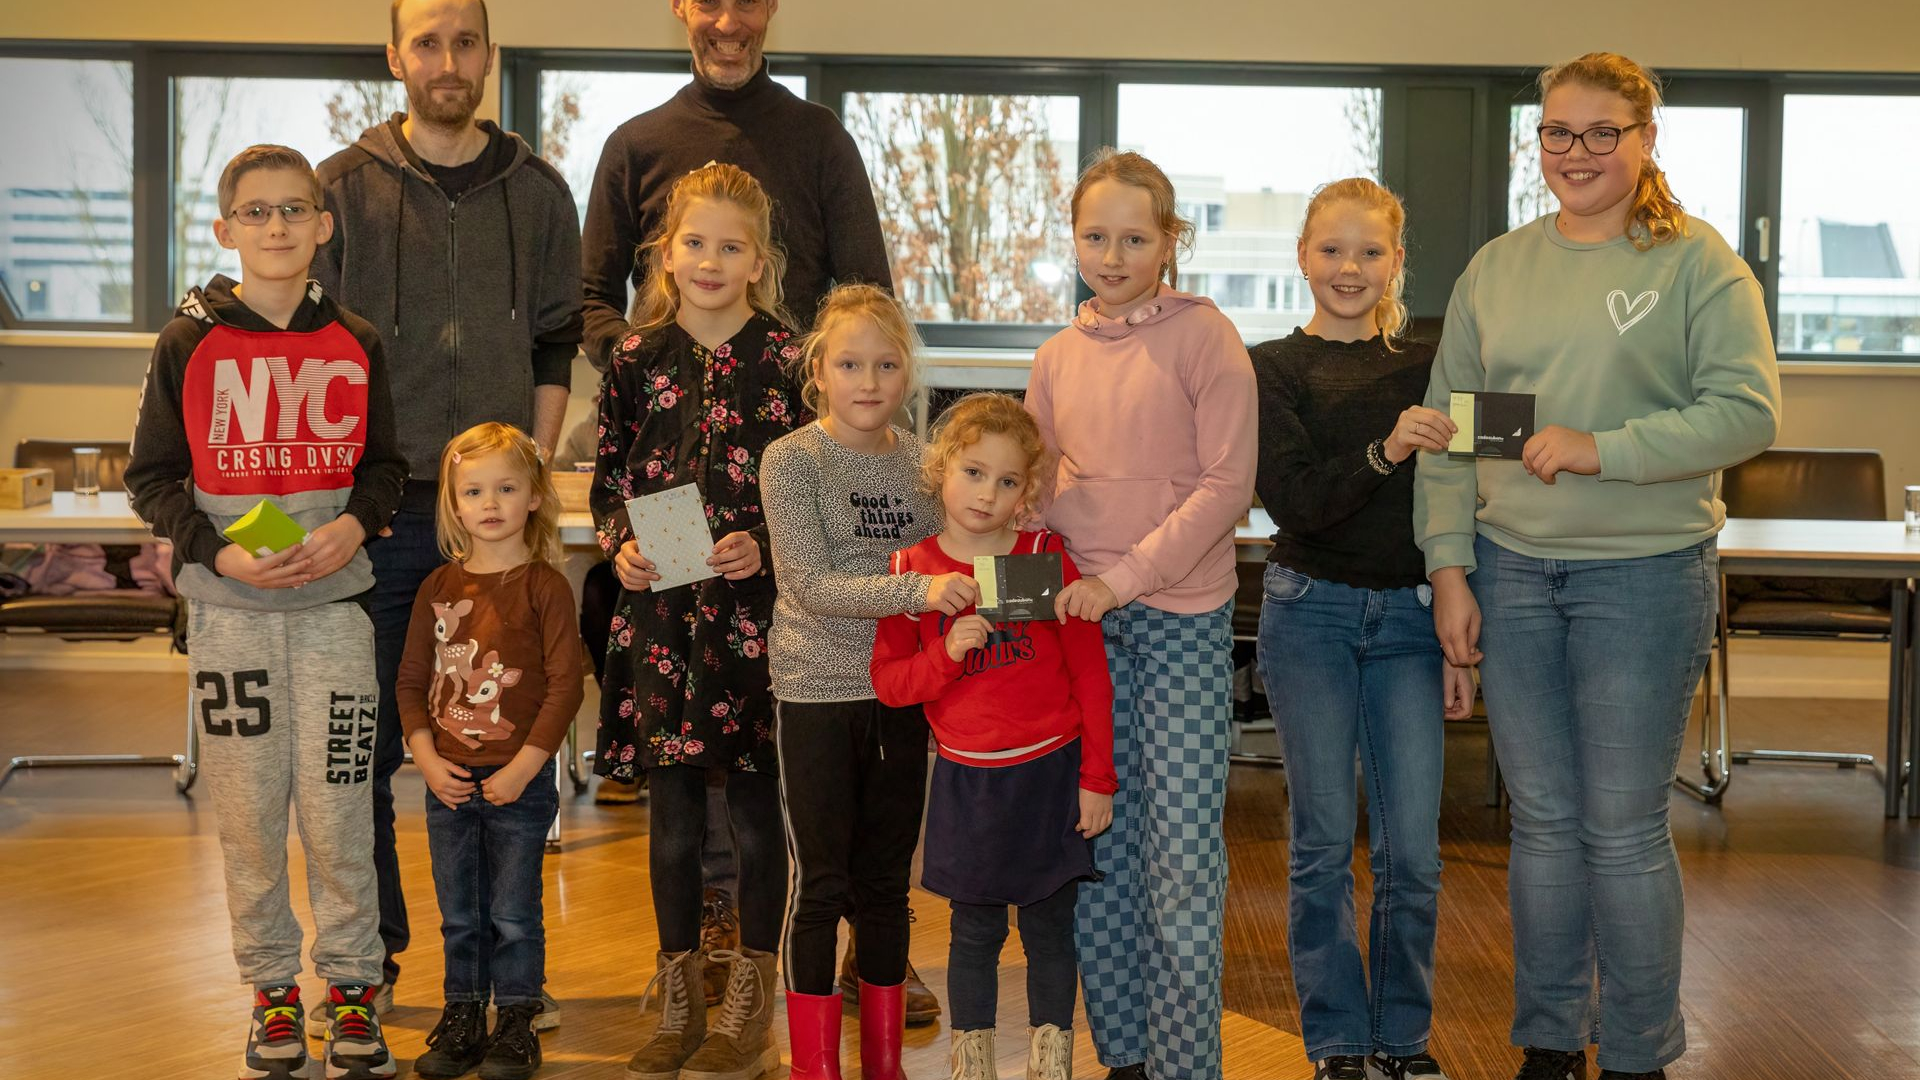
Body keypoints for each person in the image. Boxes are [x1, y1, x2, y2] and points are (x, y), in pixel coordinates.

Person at [1415, 52, 1781, 1080]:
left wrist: (1602, 446)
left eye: (1599, 133)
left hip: (1645, 574)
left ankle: (1634, 1054)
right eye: (1556, 134)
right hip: (1513, 570)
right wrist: (1449, 567)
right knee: (1542, 826)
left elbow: (1748, 411)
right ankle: (1547, 1042)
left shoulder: (1700, 262)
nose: (1574, 154)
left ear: (1645, 139)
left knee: (1621, 830)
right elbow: (1453, 432)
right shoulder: (1497, 267)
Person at [312, 0, 583, 1010]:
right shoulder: (341, 189)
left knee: (508, 749)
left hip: (496, 523)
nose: (447, 60)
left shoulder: (542, 191)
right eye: (426, 41)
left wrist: (534, 468)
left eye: (464, 40)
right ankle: (371, 962)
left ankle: (507, 984)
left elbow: (557, 338)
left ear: (489, 56)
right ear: (396, 57)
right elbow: (319, 353)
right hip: (381, 521)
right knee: (379, 745)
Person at [125, 143, 407, 1080]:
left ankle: (356, 988)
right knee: (248, 816)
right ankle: (273, 990)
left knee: (339, 818)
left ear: (324, 226)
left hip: (335, 615)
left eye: (295, 210)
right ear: (225, 229)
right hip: (230, 620)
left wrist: (357, 527)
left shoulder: (357, 341)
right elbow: (154, 477)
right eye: (256, 212)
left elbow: (385, 467)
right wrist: (221, 550)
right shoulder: (186, 343)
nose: (277, 227)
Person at [1023, 149, 1256, 1080]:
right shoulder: (1055, 356)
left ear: (1170, 242)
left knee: (1185, 861)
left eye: (1133, 237)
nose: (1111, 255)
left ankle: (1185, 1065)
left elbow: (1226, 486)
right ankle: (1122, 1056)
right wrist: (1006, 606)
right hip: (1077, 627)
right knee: (1097, 848)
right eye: (1094, 236)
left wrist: (1126, 580)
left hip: (1179, 622)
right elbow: (1032, 501)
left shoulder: (1208, 339)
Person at [1250, 178, 1475, 1080]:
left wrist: (1465, 624)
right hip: (1311, 613)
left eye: (1370, 252)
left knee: (1414, 854)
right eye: (1332, 250)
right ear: (1302, 256)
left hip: (1417, 622)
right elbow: (1297, 499)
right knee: (1320, 846)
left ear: (1398, 263)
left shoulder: (1431, 366)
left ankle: (1404, 1038)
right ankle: (1339, 1041)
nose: (1350, 269)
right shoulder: (1270, 365)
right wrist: (1387, 448)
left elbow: (1466, 495)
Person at [592, 163, 806, 1080]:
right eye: (694, 243)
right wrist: (619, 549)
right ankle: (679, 998)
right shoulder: (633, 360)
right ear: (666, 255)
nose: (710, 260)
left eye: (731, 246)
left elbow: (816, 486)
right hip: (661, 621)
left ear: (759, 262)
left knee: (758, 815)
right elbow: (608, 482)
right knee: (673, 821)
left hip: (758, 621)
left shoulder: (795, 359)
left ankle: (751, 1005)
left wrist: (768, 541)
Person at [870, 392, 1117, 1080]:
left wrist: (1097, 779)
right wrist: (944, 656)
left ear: (1027, 492)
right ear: (941, 468)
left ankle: (1052, 1061)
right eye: (974, 472)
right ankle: (970, 1062)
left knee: (1047, 929)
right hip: (967, 781)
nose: (988, 493)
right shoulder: (911, 569)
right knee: (974, 932)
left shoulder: (1041, 554)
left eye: (1008, 481)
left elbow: (1090, 678)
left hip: (1050, 776)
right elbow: (892, 684)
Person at [761, 284, 952, 1080]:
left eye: (885, 363)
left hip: (903, 696)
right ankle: (814, 1067)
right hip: (816, 692)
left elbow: (955, 560)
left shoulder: (925, 464)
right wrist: (918, 590)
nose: (868, 380)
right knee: (822, 884)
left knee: (885, 885)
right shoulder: (791, 459)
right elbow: (809, 583)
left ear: (907, 372)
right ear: (819, 372)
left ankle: (883, 1065)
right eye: (849, 363)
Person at [395, 423, 583, 1080]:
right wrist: (423, 755)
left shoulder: (545, 587)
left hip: (519, 782)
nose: (491, 502)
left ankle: (517, 1020)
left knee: (511, 910)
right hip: (447, 781)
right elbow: (412, 682)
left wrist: (526, 766)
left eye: (506, 487)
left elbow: (565, 686)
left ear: (533, 496)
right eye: (474, 490)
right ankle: (464, 1014)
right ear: (454, 502)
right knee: (460, 913)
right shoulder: (437, 589)